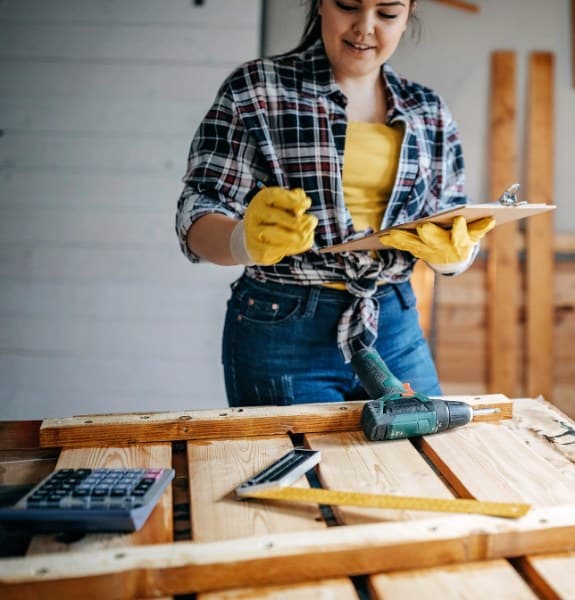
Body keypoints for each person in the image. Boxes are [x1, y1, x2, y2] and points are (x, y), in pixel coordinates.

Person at [175, 0, 493, 407]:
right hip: (282, 326)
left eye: (388, 13)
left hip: (393, 322)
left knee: (421, 460)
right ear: (321, 4)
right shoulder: (257, 88)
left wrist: (453, 255)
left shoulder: (427, 110)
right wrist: (242, 241)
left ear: (408, 15)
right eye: (348, 5)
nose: (365, 27)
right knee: (297, 469)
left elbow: (452, 214)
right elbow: (197, 208)